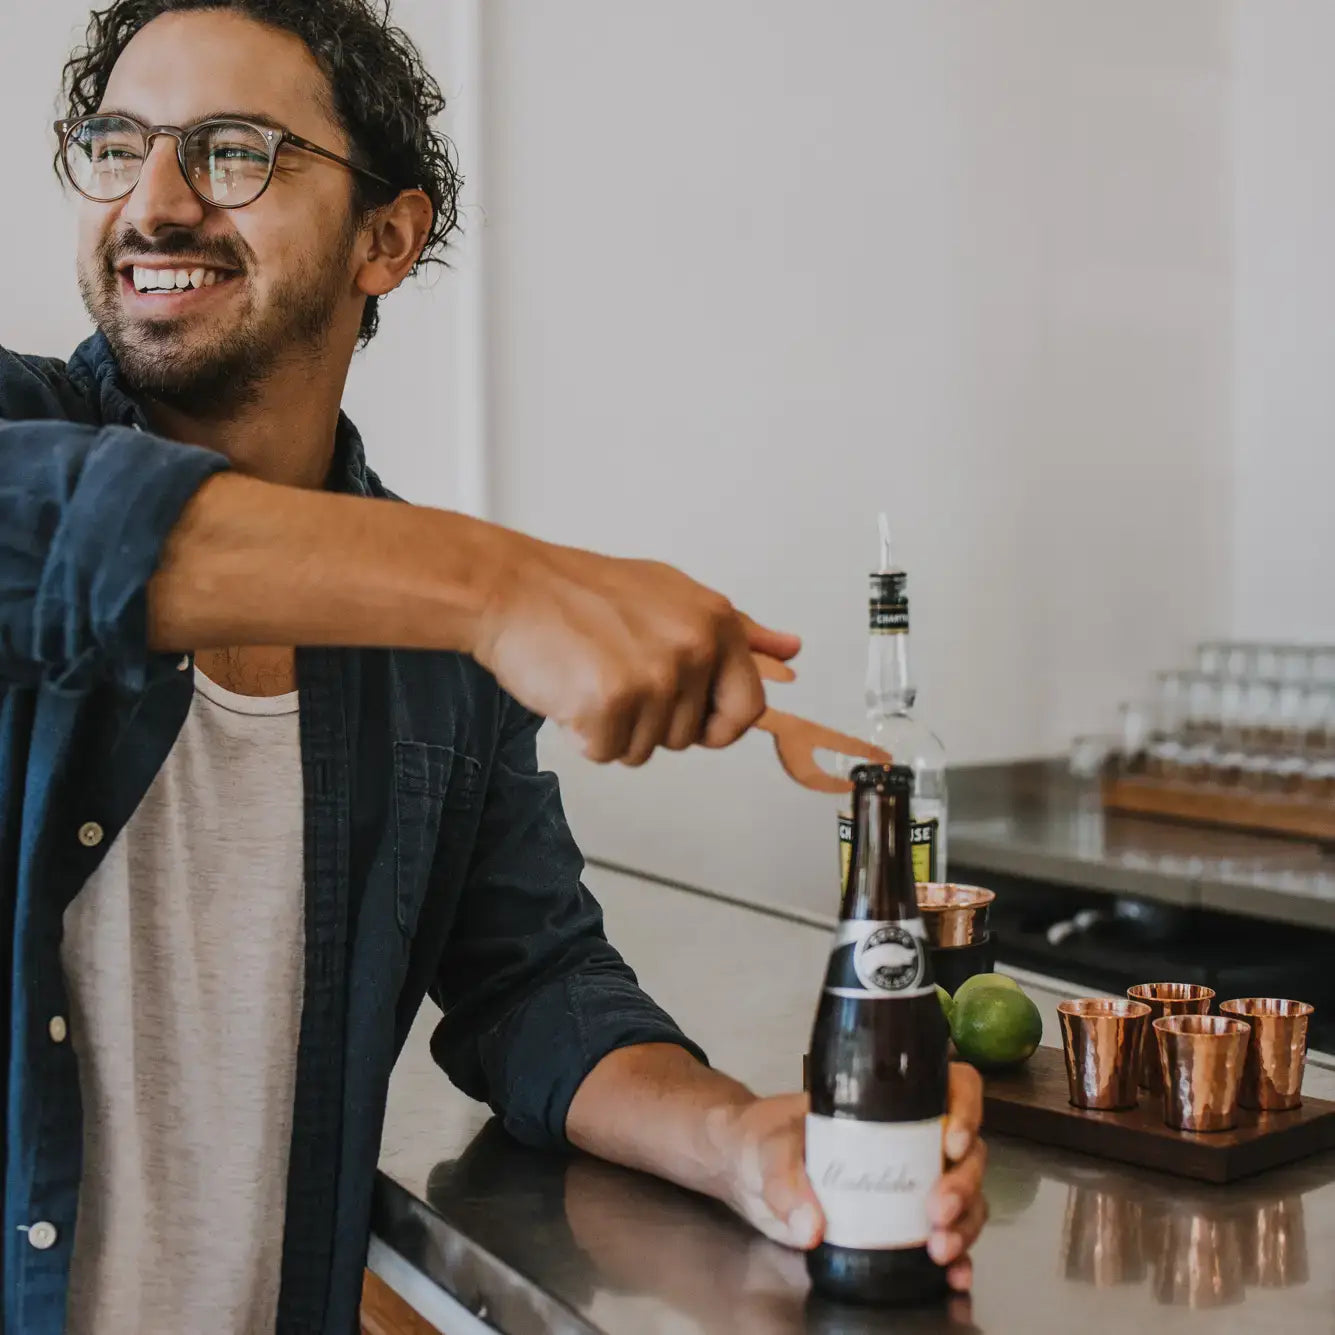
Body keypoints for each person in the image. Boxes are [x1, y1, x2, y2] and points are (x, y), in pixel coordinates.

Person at [0, 4, 988, 1332]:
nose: (155, 201)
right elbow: (57, 531)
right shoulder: (31, 445)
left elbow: (535, 984)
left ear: (387, 239)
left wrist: (747, 1143)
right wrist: (502, 586)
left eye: (232, 149)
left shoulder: (435, 654)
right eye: (116, 144)